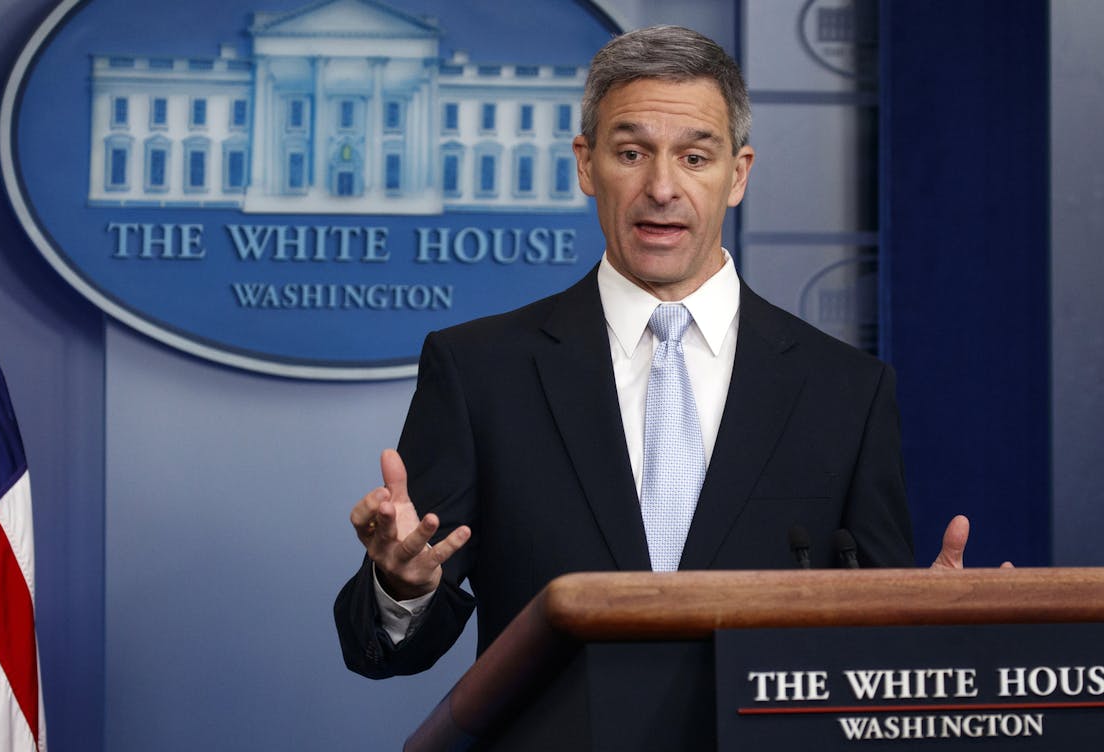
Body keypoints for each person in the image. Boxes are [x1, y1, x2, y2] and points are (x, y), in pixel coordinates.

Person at [335, 25, 978, 680]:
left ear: (738, 174)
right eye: (632, 153)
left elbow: (873, 647)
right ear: (587, 164)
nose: (663, 188)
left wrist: (930, 627)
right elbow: (381, 648)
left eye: (695, 158)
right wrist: (402, 585)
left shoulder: (846, 390)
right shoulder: (480, 370)